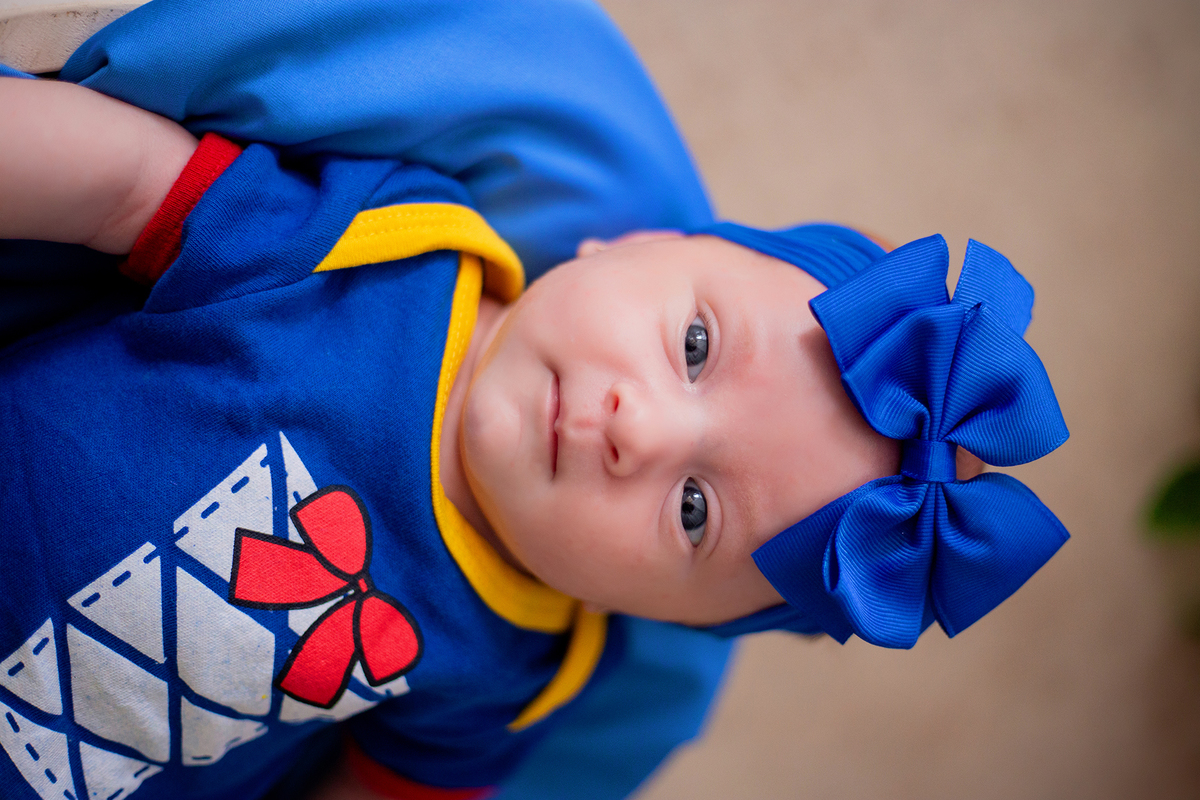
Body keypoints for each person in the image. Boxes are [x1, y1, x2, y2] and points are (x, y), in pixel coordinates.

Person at [0, 70, 1069, 800]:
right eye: (693, 344)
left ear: (658, 611)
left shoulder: (522, 669)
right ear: (633, 243)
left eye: (694, 509)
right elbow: (125, 184)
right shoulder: (387, 251)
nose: (636, 427)